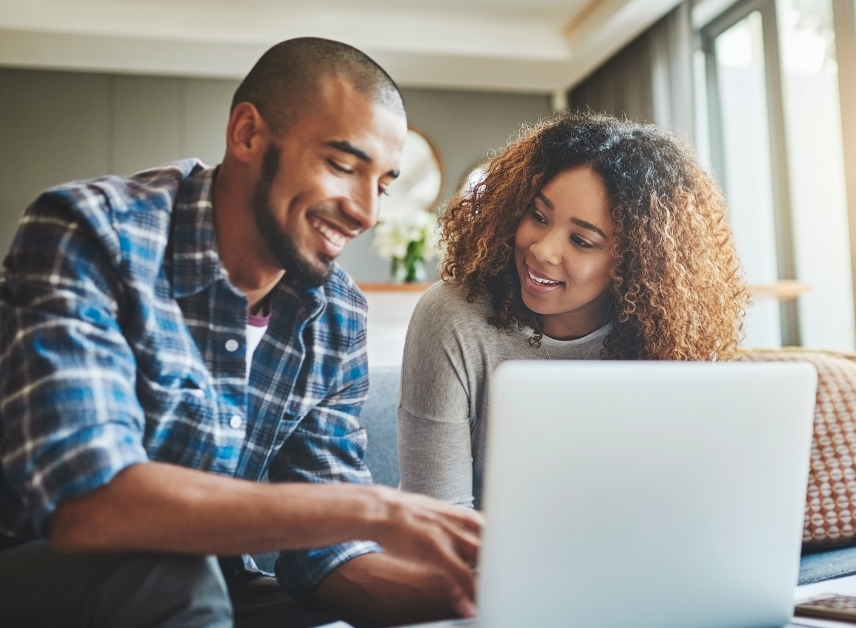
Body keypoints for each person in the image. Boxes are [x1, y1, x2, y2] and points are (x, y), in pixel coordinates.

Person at [0, 38, 482, 627]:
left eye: (381, 185)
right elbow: (88, 504)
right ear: (247, 134)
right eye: (341, 166)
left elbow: (326, 558)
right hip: (40, 569)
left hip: (207, 582)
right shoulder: (93, 234)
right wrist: (372, 508)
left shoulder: (336, 314)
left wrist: (470, 590)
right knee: (174, 579)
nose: (366, 213)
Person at [400, 113, 750, 508]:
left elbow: (685, 499)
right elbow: (435, 517)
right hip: (478, 546)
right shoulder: (453, 317)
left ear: (636, 262)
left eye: (582, 241)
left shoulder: (670, 339)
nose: (542, 250)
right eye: (538, 216)